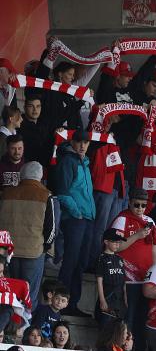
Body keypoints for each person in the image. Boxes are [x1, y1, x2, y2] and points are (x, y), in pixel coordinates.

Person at [52, 130, 96, 317]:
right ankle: (59, 304)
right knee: (70, 262)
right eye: (79, 142)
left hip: (86, 219)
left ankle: (72, 304)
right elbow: (61, 192)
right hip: (75, 220)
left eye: (85, 143)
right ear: (72, 142)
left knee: (80, 263)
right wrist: (77, 213)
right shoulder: (68, 161)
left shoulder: (84, 163)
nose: (82, 146)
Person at [110, 189, 156, 351]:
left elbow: (154, 249)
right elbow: (115, 246)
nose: (140, 208)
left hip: (145, 280)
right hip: (127, 279)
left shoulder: (150, 221)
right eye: (136, 204)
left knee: (141, 321)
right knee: (127, 320)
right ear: (129, 202)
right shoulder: (122, 219)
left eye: (143, 205)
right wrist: (137, 236)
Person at [0, 161, 53, 308]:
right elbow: (52, 228)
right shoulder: (47, 196)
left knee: (9, 294)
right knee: (29, 296)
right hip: (34, 252)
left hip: (8, 253)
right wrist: (45, 248)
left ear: (21, 175)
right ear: (40, 176)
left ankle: (6, 327)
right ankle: (25, 330)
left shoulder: (6, 194)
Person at [94, 229, 127, 326]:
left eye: (119, 242)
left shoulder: (119, 259)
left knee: (118, 329)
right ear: (106, 242)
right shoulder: (101, 258)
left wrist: (125, 299)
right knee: (105, 330)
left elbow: (123, 281)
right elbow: (99, 280)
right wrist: (102, 300)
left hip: (119, 300)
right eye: (114, 242)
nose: (117, 245)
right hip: (108, 297)